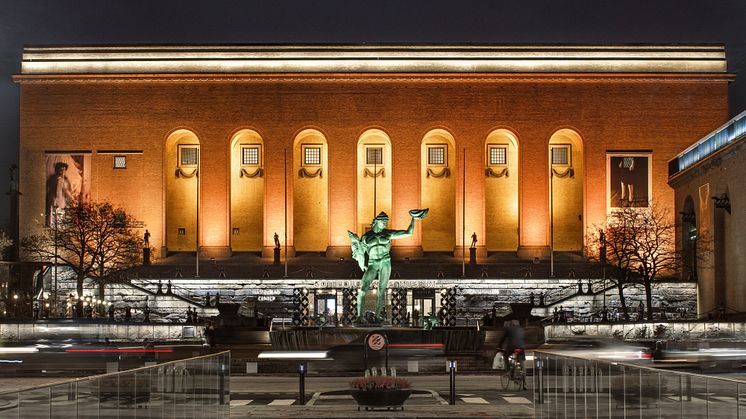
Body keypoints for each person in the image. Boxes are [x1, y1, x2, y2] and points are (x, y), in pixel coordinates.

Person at [348, 209, 428, 322]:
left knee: (381, 290)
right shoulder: (366, 237)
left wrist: (413, 219)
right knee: (362, 289)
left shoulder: (388, 234)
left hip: (385, 262)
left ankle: (376, 317)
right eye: (383, 221)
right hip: (373, 263)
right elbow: (360, 252)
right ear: (376, 221)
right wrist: (355, 241)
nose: (385, 223)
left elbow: (408, 232)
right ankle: (360, 317)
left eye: (386, 221)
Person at [499, 320, 526, 389]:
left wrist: (499, 347)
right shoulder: (521, 329)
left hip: (511, 347)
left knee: (505, 356)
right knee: (522, 363)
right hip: (521, 347)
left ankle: (508, 370)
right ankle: (525, 383)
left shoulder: (509, 329)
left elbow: (503, 338)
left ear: (512, 324)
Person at [46, 162, 75, 226]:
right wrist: (71, 198)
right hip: (57, 201)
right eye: (61, 170)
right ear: (57, 170)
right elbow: (59, 192)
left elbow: (67, 190)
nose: (62, 171)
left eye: (64, 170)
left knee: (59, 219)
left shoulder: (65, 180)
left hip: (61, 201)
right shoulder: (58, 179)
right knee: (56, 219)